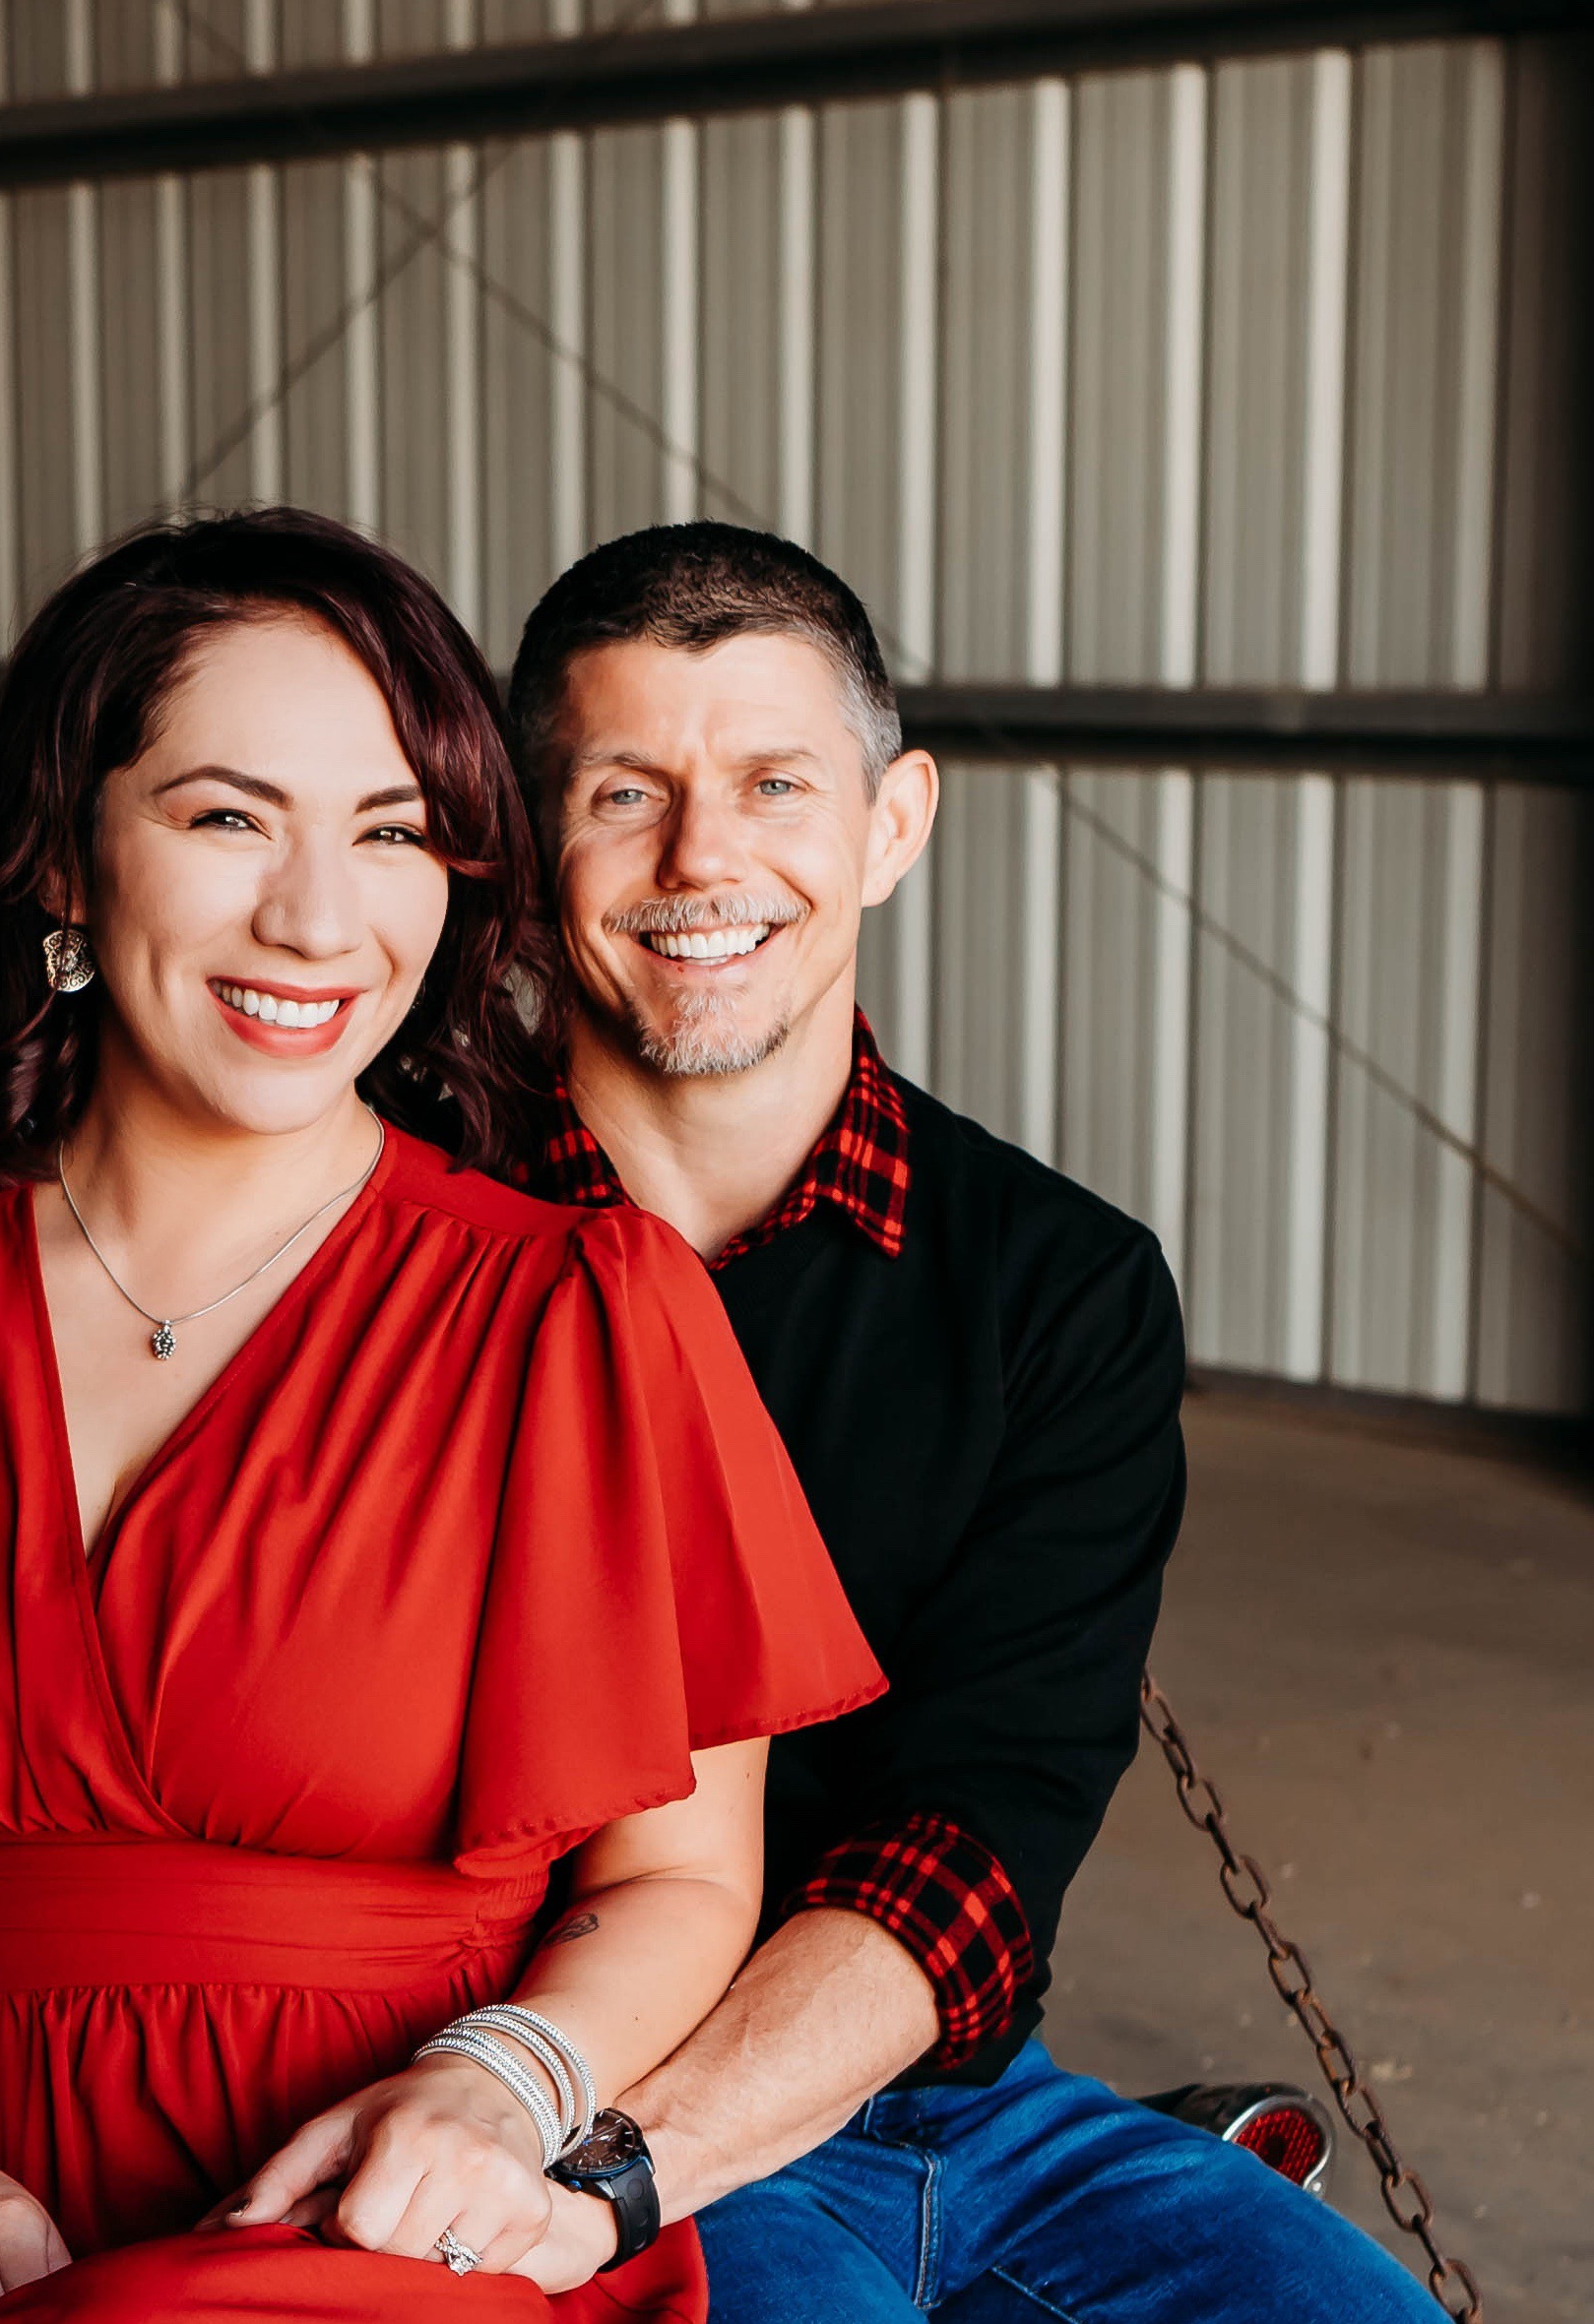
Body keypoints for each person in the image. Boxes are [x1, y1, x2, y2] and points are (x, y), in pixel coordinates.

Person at [0, 511, 883, 2324]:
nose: (319, 918)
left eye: (391, 832)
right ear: (63, 855)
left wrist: (504, 2082)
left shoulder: (581, 1313)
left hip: (380, 2221)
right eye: (229, 818)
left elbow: (685, 1874)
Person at [494, 523, 1439, 2321]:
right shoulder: (418, 1243)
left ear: (893, 821)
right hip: (537, 2089)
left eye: (777, 782)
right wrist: (578, 2161)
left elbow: (980, 1828)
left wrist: (650, 2156)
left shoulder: (1059, 1286)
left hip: (951, 2099)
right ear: (533, 851)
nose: (705, 859)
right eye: (626, 793)